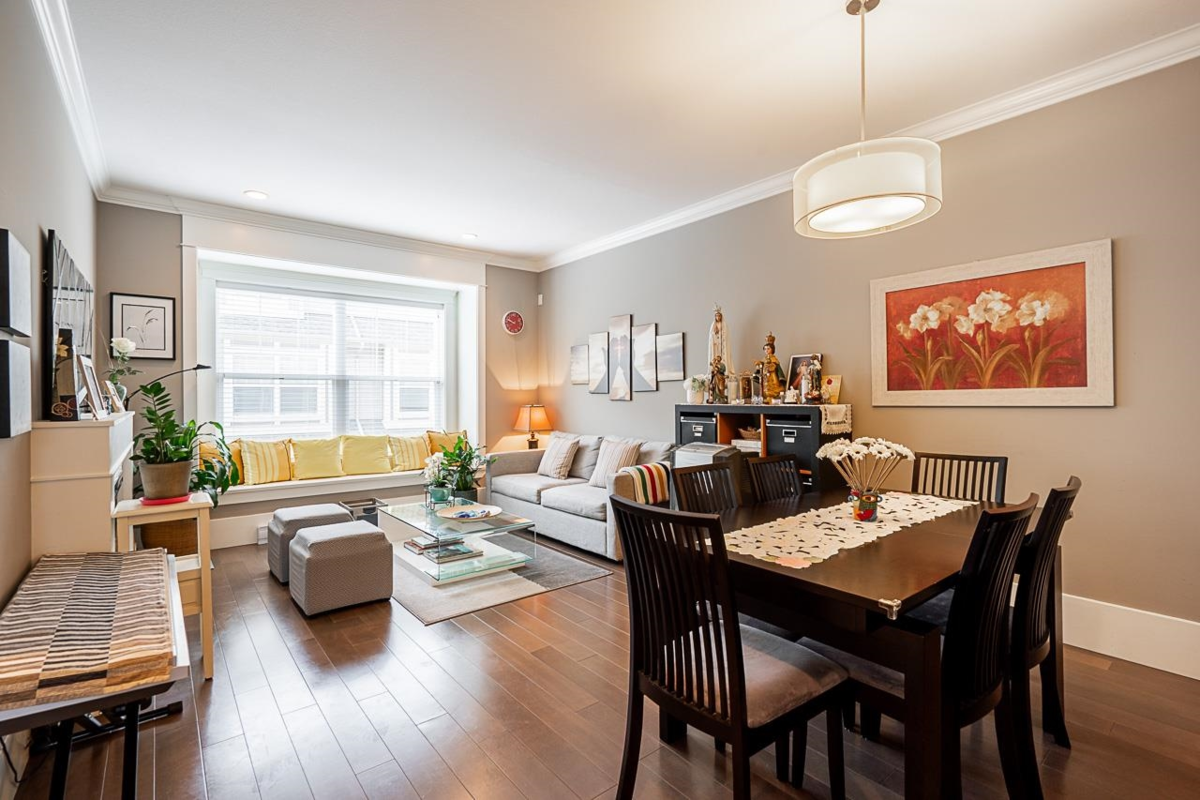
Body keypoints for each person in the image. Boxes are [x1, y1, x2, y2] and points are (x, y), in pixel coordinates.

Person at [708, 305, 733, 377]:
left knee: (723, 357)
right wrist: (715, 335)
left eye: (719, 316)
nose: (718, 317)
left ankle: (724, 370)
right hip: (716, 345)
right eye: (716, 316)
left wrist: (721, 335)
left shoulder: (724, 325)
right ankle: (715, 369)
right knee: (716, 356)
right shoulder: (713, 325)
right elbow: (711, 336)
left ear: (721, 316)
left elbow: (726, 335)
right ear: (715, 317)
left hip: (722, 345)